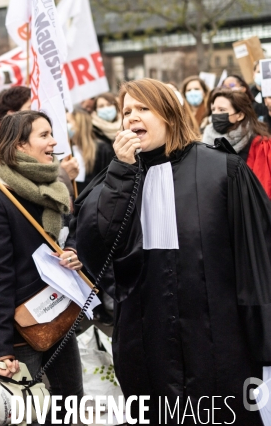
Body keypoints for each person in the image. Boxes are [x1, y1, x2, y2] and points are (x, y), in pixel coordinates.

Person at [75, 78, 271, 425]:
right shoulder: (115, 177)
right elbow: (96, 247)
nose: (131, 117)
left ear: (168, 113)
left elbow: (257, 258)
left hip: (218, 341)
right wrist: (121, 173)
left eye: (143, 108)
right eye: (126, 111)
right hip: (145, 345)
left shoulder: (224, 170)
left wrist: (264, 340)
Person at [0, 111, 84, 422]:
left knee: (70, 404)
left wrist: (72, 251)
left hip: (60, 316)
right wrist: (0, 348)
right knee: (25, 414)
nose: (54, 141)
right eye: (44, 135)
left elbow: (66, 234)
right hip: (22, 332)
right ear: (19, 146)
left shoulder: (52, 187)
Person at [203, 89, 271, 197]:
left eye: (222, 110)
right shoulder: (204, 143)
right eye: (213, 109)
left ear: (239, 115)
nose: (215, 114)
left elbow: (263, 189)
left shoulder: (260, 144)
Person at [67, 107, 114, 196]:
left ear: (80, 124)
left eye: (68, 122)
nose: (66, 125)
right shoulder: (67, 152)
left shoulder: (102, 149)